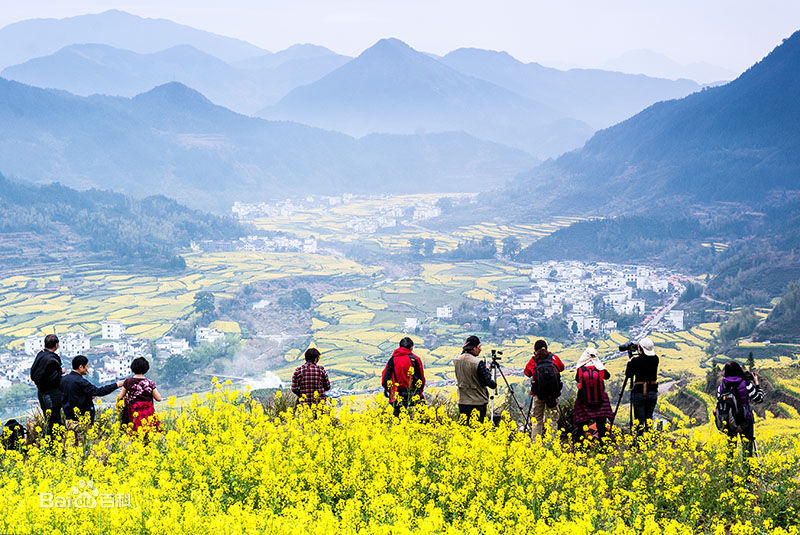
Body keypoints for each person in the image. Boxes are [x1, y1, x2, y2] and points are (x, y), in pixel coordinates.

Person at [717, 361, 764, 456]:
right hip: (745, 420)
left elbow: (719, 399)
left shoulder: (722, 386)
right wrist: (757, 384)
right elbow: (759, 399)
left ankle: (729, 468)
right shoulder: (746, 384)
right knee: (747, 450)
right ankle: (748, 469)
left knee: (730, 451)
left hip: (729, 421)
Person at [60, 355, 123, 424]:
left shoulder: (63, 379)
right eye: (87, 366)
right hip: (81, 421)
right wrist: (117, 385)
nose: (88, 368)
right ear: (81, 367)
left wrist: (87, 397)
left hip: (68, 420)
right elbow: (99, 391)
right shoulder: (81, 381)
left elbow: (73, 395)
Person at [523, 339, 564, 438]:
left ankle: (536, 444)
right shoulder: (553, 357)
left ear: (535, 350)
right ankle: (552, 442)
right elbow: (561, 367)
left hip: (538, 394)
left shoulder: (534, 360)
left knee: (537, 419)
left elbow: (527, 372)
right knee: (552, 419)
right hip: (553, 395)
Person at [572, 347, 613, 441]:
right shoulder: (599, 368)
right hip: (600, 400)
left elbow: (577, 379)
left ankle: (580, 444)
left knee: (583, 424)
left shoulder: (581, 369)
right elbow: (607, 376)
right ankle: (603, 443)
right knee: (601, 424)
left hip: (584, 401)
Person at [453, 336, 496, 424]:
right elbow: (489, 383)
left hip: (463, 400)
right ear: (474, 348)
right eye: (479, 347)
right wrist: (487, 369)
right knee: (477, 429)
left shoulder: (456, 359)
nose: (480, 350)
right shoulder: (478, 362)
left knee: (465, 429)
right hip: (478, 402)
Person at [29, 334, 65, 437]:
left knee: (49, 420)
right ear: (56, 345)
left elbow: (34, 374)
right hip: (51, 394)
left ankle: (50, 444)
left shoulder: (40, 354)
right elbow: (54, 379)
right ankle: (55, 444)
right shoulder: (51, 360)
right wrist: (61, 371)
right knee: (55, 421)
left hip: (41, 392)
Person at [382, 337, 426, 417]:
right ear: (411, 348)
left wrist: (390, 391)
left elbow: (385, 378)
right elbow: (421, 378)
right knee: (422, 414)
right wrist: (420, 391)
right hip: (413, 393)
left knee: (398, 419)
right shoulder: (415, 359)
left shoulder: (392, 359)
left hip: (397, 394)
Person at [625, 337, 659, 435]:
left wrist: (630, 362)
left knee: (639, 420)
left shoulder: (636, 361)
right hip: (653, 392)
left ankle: (638, 443)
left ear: (641, 348)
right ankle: (650, 442)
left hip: (640, 393)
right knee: (649, 418)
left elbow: (629, 375)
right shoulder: (656, 359)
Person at [117, 357, 161, 433]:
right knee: (149, 438)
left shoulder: (128, 382)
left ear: (133, 368)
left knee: (135, 437)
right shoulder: (149, 383)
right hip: (148, 415)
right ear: (146, 368)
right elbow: (158, 398)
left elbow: (120, 397)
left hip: (134, 415)